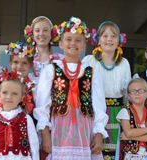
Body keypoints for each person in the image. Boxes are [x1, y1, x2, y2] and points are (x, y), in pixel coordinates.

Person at [34, 16, 108, 160]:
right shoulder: (51, 69)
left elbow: (99, 105)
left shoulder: (91, 71)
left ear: (84, 45)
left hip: (85, 131)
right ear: (60, 43)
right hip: (58, 130)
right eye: (68, 39)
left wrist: (99, 133)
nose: (73, 43)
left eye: (78, 40)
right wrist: (45, 134)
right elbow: (42, 105)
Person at [82, 20, 131, 159]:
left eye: (113, 36)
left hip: (116, 112)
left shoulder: (124, 63)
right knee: (94, 150)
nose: (109, 39)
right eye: (105, 36)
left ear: (119, 40)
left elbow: (127, 93)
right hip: (94, 112)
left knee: (113, 152)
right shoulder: (89, 61)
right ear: (97, 40)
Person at [117, 78, 147, 160]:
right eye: (133, 91)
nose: (137, 93)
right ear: (129, 96)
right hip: (129, 156)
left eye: (140, 91)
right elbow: (129, 133)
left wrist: (131, 137)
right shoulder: (125, 112)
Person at [24, 16, 63, 84]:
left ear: (51, 34)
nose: (41, 34)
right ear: (32, 34)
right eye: (37, 30)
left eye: (45, 30)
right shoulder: (26, 57)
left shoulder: (60, 59)